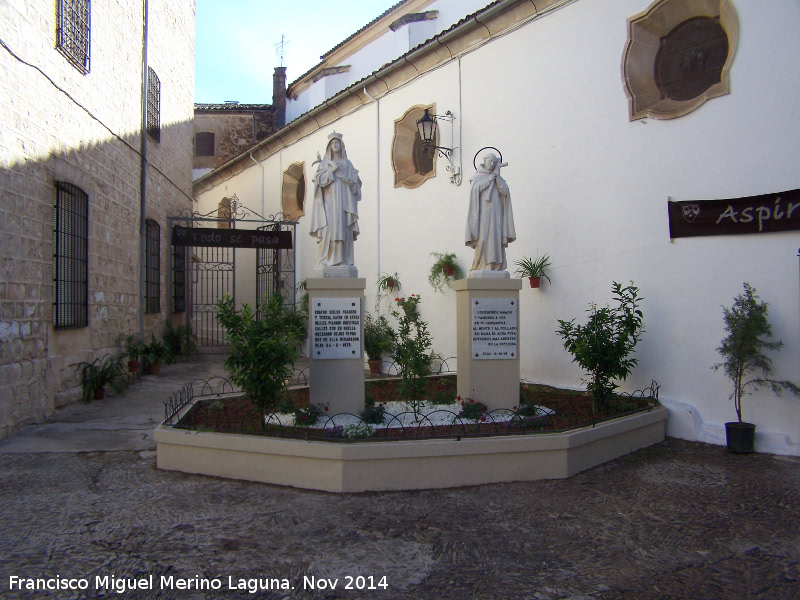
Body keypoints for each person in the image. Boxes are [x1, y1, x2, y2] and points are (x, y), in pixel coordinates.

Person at [309, 132, 362, 268]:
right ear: (329, 146)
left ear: (342, 145)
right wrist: (331, 171)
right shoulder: (325, 164)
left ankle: (343, 259)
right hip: (329, 200)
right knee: (330, 229)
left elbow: (356, 183)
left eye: (337, 142)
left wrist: (351, 182)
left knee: (343, 229)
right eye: (333, 143)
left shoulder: (347, 163)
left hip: (345, 201)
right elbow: (319, 180)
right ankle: (327, 259)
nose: (335, 145)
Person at [465, 152, 516, 272]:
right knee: (482, 239)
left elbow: (505, 193)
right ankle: (480, 265)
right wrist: (488, 181)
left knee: (496, 238)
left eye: (494, 162)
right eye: (490, 161)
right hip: (483, 214)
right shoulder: (477, 177)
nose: (492, 164)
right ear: (484, 161)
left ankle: (495, 265)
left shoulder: (498, 177)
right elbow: (474, 190)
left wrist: (497, 179)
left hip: (496, 213)